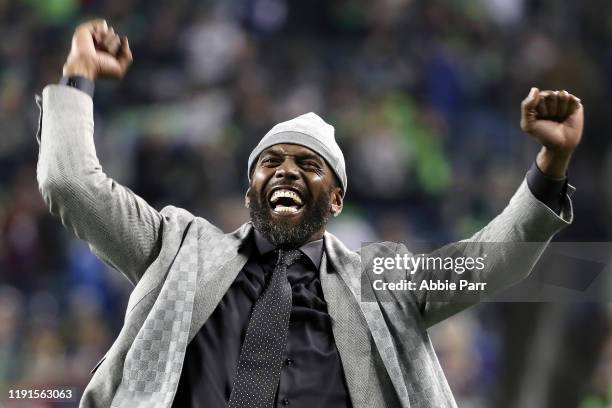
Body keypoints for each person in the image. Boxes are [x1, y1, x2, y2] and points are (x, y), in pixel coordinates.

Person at [36, 20, 580, 408]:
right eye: (269, 161)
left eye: (309, 164)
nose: (287, 171)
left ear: (337, 199)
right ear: (250, 188)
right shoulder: (178, 247)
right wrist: (78, 75)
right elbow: (69, 183)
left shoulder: (382, 278)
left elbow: (491, 264)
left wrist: (552, 162)